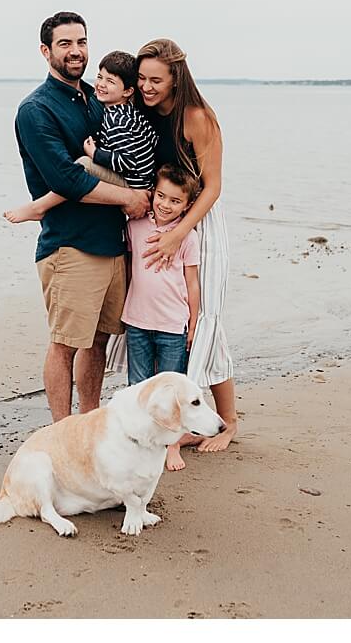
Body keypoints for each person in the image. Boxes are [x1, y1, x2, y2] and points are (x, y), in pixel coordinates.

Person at [14, 12, 151, 423]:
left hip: (113, 245)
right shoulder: (36, 110)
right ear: (45, 51)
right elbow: (67, 178)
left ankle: (89, 423)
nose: (76, 51)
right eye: (65, 44)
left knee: (99, 342)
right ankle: (62, 432)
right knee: (65, 343)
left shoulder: (97, 97)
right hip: (70, 245)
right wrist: (129, 199)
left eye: (82, 42)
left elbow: (129, 148)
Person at [105, 38, 239, 454]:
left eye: (155, 80)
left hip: (197, 225)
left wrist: (180, 233)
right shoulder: (141, 113)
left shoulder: (197, 117)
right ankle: (166, 419)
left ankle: (227, 422)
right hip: (156, 222)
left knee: (205, 324)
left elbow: (213, 186)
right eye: (141, 78)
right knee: (163, 318)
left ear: (176, 78)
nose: (146, 86)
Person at [4, 50, 159, 223]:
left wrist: (95, 154)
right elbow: (152, 138)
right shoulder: (129, 113)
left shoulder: (118, 120)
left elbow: (128, 161)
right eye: (100, 77)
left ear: (128, 91)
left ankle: (39, 207)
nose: (101, 84)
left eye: (110, 81)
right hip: (142, 181)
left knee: (84, 165)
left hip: (134, 183)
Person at [120, 165, 205, 471]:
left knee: (172, 392)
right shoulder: (136, 226)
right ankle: (138, 443)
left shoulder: (187, 237)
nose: (165, 204)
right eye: (161, 196)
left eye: (175, 201)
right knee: (138, 386)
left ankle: (171, 447)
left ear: (187, 205)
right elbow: (130, 268)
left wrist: (194, 321)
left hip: (172, 325)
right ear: (152, 193)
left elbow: (192, 282)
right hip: (138, 321)